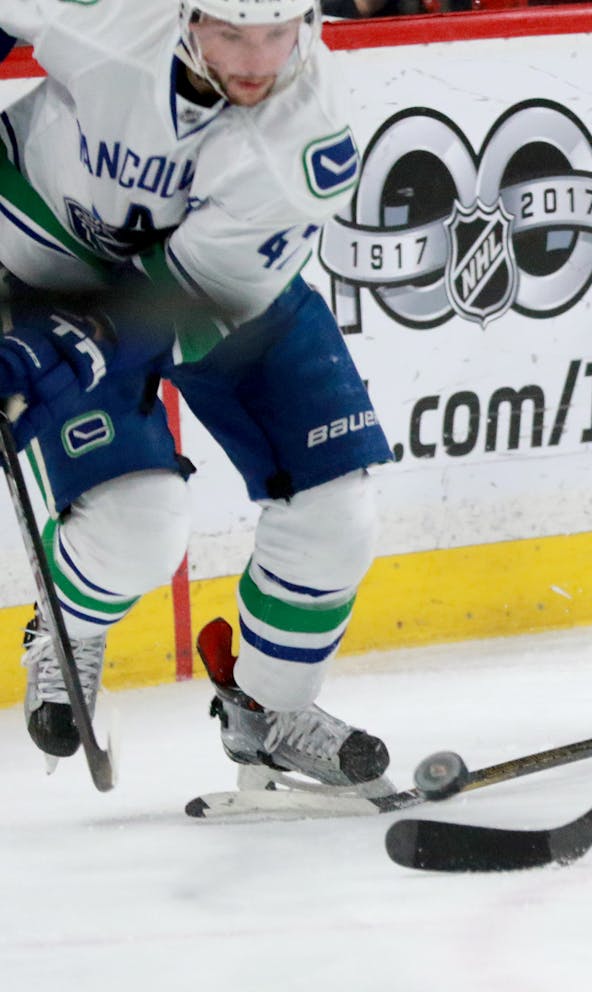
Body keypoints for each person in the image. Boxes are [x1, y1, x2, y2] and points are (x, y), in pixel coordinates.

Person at [0, 0, 393, 792]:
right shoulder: (112, 12)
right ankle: (67, 628)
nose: (255, 59)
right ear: (185, 15)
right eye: (230, 33)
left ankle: (268, 710)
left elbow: (184, 302)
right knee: (137, 532)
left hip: (208, 290)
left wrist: (61, 352)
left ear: (311, 24)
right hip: (45, 254)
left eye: (277, 34)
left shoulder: (307, 139)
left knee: (338, 515)